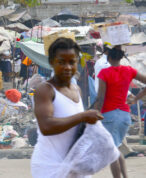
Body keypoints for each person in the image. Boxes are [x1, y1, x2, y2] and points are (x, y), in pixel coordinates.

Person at [31, 38, 103, 178]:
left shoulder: (76, 89)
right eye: (61, 62)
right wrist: (83, 116)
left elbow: (75, 129)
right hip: (50, 166)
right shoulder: (45, 90)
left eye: (72, 62)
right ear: (52, 62)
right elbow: (46, 127)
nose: (68, 67)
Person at [92, 46, 146, 178]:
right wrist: (136, 98)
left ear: (109, 58)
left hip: (109, 115)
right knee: (116, 148)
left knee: (112, 152)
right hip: (124, 116)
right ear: (121, 58)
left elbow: (100, 97)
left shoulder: (104, 73)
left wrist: (96, 114)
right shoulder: (129, 70)